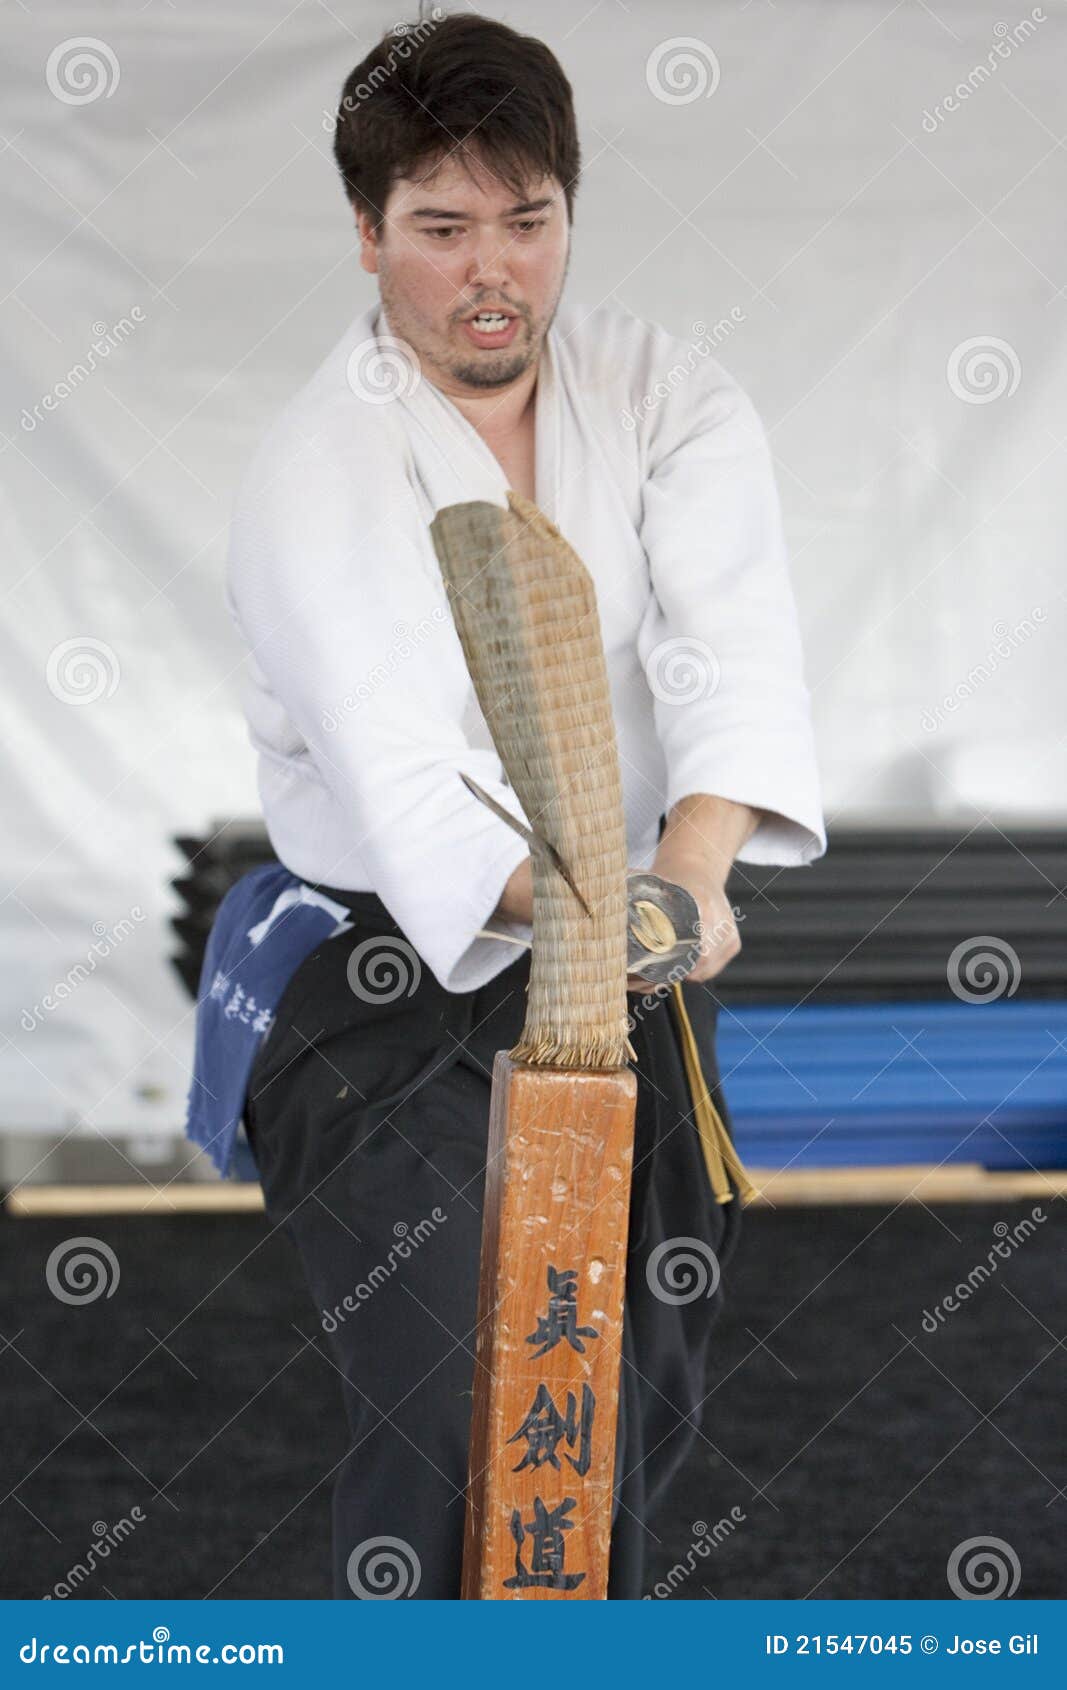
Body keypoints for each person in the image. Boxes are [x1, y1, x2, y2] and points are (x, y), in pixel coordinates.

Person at [222, 11, 825, 1599]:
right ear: (368, 233)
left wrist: (691, 876)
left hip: (632, 959)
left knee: (627, 1401)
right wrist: (615, 916)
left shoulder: (664, 391)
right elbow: (405, 781)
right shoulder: (320, 466)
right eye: (440, 229)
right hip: (392, 977)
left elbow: (733, 654)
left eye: (528, 220)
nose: (491, 270)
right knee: (442, 1406)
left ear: (570, 210)